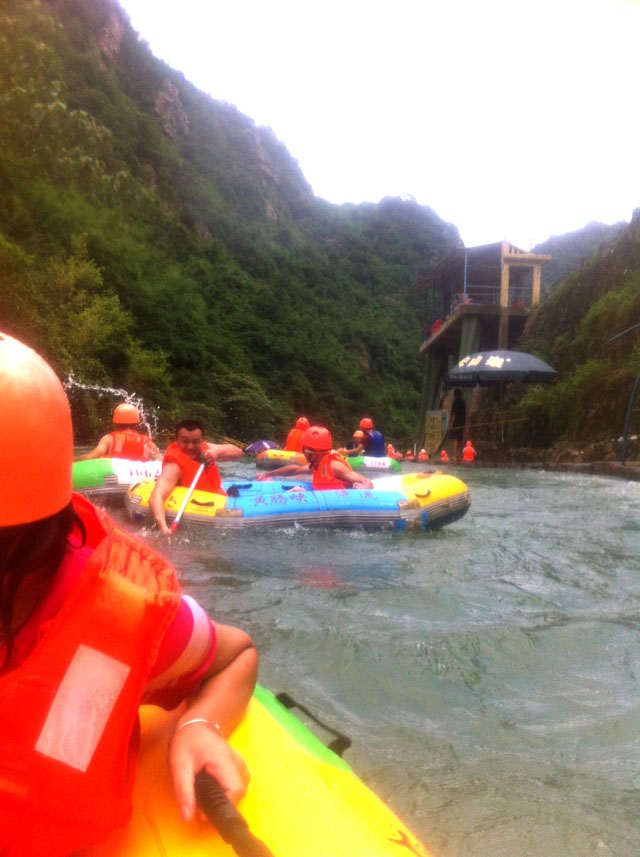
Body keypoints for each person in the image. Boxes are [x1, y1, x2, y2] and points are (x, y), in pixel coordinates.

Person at [0, 332, 258, 855]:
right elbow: (160, 493)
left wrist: (200, 722)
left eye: (193, 443)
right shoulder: (160, 459)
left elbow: (239, 651)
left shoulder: (115, 608)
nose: (187, 447)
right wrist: (164, 523)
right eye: (184, 443)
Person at [150, 420, 243, 535]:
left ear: (202, 441)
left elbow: (238, 452)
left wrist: (217, 451)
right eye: (185, 442)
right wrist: (164, 528)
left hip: (218, 501)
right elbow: (156, 496)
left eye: (195, 442)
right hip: (201, 518)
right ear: (177, 441)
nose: (190, 446)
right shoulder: (174, 467)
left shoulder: (205, 448)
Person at [257, 426, 374, 490]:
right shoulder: (316, 464)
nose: (303, 453)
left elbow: (367, 481)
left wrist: (363, 487)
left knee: (298, 491)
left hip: (342, 503)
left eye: (305, 450)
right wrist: (268, 475)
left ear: (316, 451)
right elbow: (294, 470)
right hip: (325, 501)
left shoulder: (334, 466)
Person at [74, 403, 162, 462]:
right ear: (136, 423)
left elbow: (92, 457)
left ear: (116, 422)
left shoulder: (109, 439)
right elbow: (162, 461)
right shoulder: (148, 443)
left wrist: (72, 461)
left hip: (112, 481)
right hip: (139, 482)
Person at [448, 388, 466, 463]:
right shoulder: (463, 403)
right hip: (462, 423)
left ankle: (455, 456)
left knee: (455, 439)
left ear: (455, 395)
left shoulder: (455, 403)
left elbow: (454, 414)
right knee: (460, 440)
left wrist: (451, 425)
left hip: (456, 424)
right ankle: (460, 456)